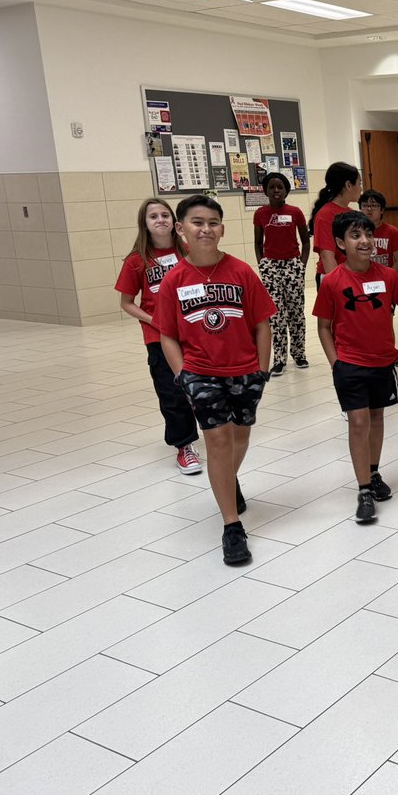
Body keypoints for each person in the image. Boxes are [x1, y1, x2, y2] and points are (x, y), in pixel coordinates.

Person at [155, 195, 276, 566]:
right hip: (200, 372)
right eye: (196, 222)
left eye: (212, 222)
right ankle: (232, 525)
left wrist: (261, 370)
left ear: (222, 229)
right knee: (218, 439)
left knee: (240, 435)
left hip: (244, 371)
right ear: (181, 229)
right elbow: (167, 334)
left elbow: (262, 323)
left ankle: (226, 480)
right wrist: (183, 375)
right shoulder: (175, 279)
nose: (205, 229)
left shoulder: (241, 272)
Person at [314, 211, 398, 523]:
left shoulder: (387, 277)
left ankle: (372, 472)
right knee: (358, 422)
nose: (365, 241)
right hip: (350, 365)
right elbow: (324, 327)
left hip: (383, 363)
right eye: (356, 235)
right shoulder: (332, 282)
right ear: (341, 243)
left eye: (368, 235)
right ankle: (363, 491)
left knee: (377, 417)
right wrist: (336, 364)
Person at [114, 198, 202, 474]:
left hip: (194, 332)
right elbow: (127, 303)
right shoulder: (136, 261)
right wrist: (156, 321)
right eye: (153, 216)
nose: (160, 219)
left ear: (176, 223)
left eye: (165, 214)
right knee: (172, 393)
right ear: (145, 224)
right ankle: (184, 446)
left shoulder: (189, 252)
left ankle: (215, 431)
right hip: (159, 338)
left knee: (201, 387)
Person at [253, 171, 310, 376]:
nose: (276, 191)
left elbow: (305, 241)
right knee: (275, 315)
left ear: (286, 190)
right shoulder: (260, 213)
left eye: (280, 187)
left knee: (296, 311)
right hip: (271, 267)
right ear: (265, 190)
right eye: (272, 187)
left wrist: (301, 265)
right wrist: (263, 265)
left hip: (293, 265)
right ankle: (279, 359)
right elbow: (258, 243)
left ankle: (299, 353)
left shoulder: (295, 212)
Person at [310, 161, 363, 287]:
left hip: (352, 274)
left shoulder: (352, 213)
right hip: (333, 278)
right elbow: (327, 257)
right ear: (348, 185)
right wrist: (340, 286)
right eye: (359, 183)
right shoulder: (325, 215)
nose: (361, 188)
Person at [359, 189, 398, 274]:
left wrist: (389, 277)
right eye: (365, 205)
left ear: (382, 210)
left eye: (374, 205)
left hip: (385, 274)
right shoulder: (355, 232)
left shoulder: (392, 231)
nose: (369, 209)